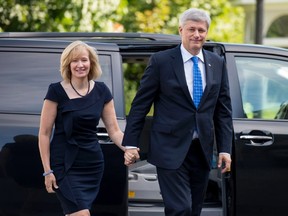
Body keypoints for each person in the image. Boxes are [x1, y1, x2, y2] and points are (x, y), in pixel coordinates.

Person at [123, 8, 233, 216]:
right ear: (181, 30)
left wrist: (225, 149)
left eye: (201, 30)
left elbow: (223, 110)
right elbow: (140, 105)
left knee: (194, 210)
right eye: (191, 29)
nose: (196, 34)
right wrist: (131, 143)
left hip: (201, 150)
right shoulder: (161, 61)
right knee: (180, 208)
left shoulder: (217, 63)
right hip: (169, 148)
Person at [38, 40, 125, 216]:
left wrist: (128, 147)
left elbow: (114, 131)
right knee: (81, 213)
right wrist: (47, 171)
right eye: (74, 61)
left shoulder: (102, 91)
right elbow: (44, 134)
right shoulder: (56, 91)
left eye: (84, 60)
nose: (80, 65)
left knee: (74, 213)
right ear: (67, 65)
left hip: (92, 164)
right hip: (64, 164)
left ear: (91, 62)